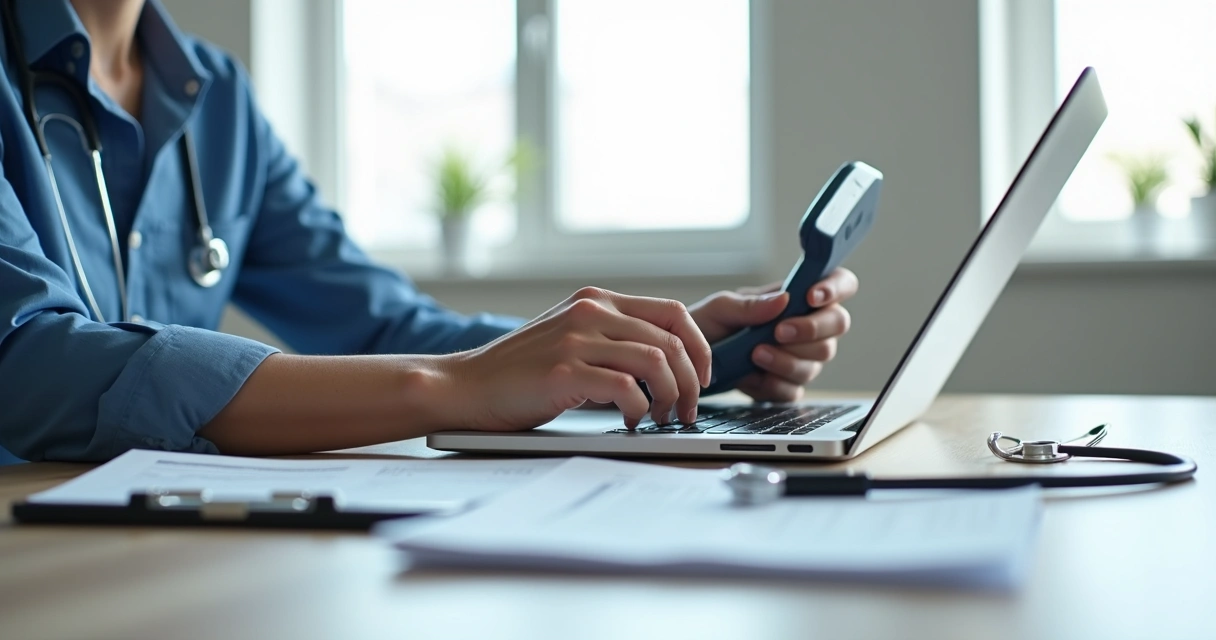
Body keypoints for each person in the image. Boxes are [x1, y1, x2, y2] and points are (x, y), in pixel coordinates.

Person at [0, 0, 858, 464]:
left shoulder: (215, 96)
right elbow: (31, 363)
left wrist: (645, 351)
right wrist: (440, 388)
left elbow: (382, 324)